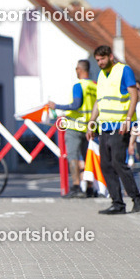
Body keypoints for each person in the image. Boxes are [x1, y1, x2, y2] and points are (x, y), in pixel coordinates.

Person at [88, 45, 140, 214]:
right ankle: (118, 203)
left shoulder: (124, 70)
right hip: (105, 127)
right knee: (105, 164)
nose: (100, 63)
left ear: (110, 56)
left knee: (117, 163)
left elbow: (134, 94)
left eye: (102, 59)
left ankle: (137, 198)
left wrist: (128, 119)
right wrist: (92, 121)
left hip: (120, 125)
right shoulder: (101, 75)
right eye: (97, 60)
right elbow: (100, 101)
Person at [48, 60, 97, 198]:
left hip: (75, 126)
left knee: (73, 157)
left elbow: (76, 104)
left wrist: (56, 106)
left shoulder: (78, 85)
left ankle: (76, 186)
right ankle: (90, 187)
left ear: (79, 70)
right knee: (88, 158)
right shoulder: (94, 86)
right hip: (89, 126)